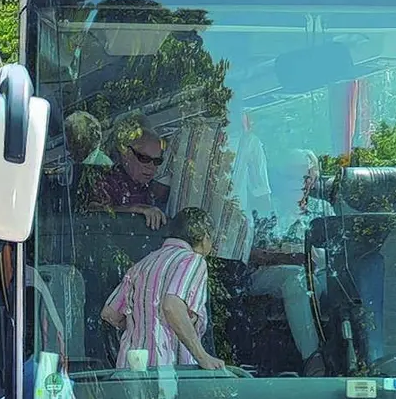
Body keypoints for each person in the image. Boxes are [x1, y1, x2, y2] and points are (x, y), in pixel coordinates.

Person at [100, 206, 224, 370]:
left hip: (131, 371)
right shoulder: (192, 260)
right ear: (205, 238)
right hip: (167, 372)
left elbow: (110, 313)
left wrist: (141, 324)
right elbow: (172, 306)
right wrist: (203, 357)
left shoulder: (143, 264)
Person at [247, 149, 332, 376]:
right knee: (297, 279)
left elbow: (336, 253)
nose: (301, 182)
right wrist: (294, 257)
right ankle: (313, 361)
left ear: (314, 179)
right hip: (267, 275)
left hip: (317, 277)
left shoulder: (323, 210)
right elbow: (252, 253)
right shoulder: (265, 208)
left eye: (307, 177)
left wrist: (312, 257)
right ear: (284, 177)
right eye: (295, 176)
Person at [88, 116, 170, 230]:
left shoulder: (151, 187)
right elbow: (92, 210)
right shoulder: (108, 181)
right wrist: (135, 209)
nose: (151, 166)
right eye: (144, 158)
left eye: (157, 161)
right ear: (127, 154)